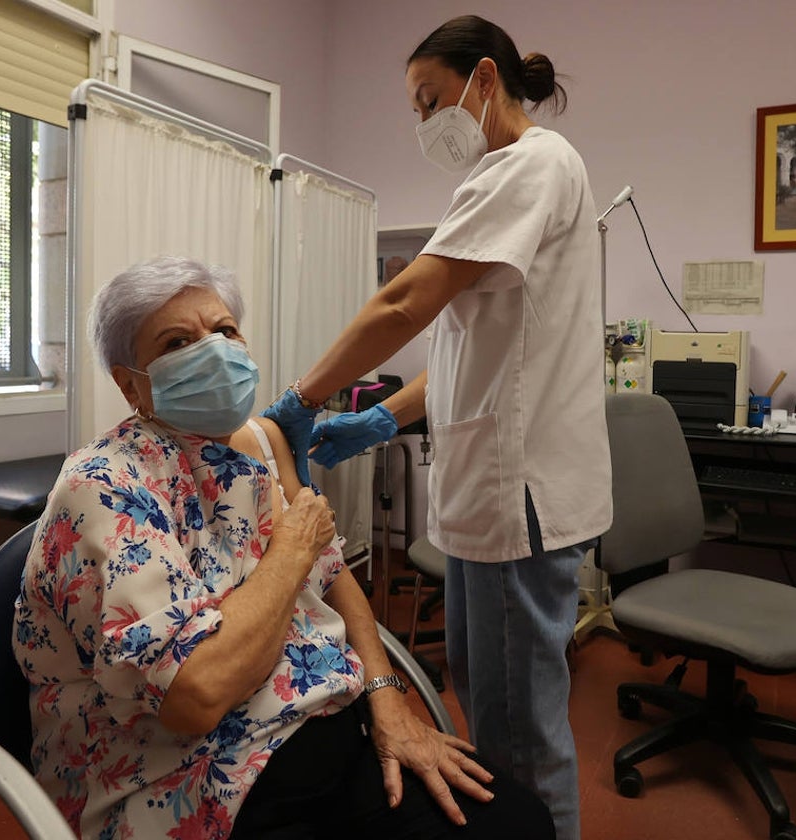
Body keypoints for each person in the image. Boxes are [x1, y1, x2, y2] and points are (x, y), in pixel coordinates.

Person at [11, 256, 554, 840]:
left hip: (325, 734)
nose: (213, 352)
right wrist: (293, 547)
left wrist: (386, 696)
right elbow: (196, 695)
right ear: (129, 383)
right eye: (177, 342)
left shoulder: (243, 462)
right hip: (189, 782)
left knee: (521, 822)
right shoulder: (105, 488)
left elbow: (333, 579)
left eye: (224, 332)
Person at [262, 16, 612, 840]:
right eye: (414, 110)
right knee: (487, 702)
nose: (424, 124)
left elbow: (404, 302)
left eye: (431, 101)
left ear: (484, 80)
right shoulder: (516, 176)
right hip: (496, 494)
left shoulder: (530, 165)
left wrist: (303, 398)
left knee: (519, 735)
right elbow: (471, 349)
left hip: (513, 496)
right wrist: (382, 416)